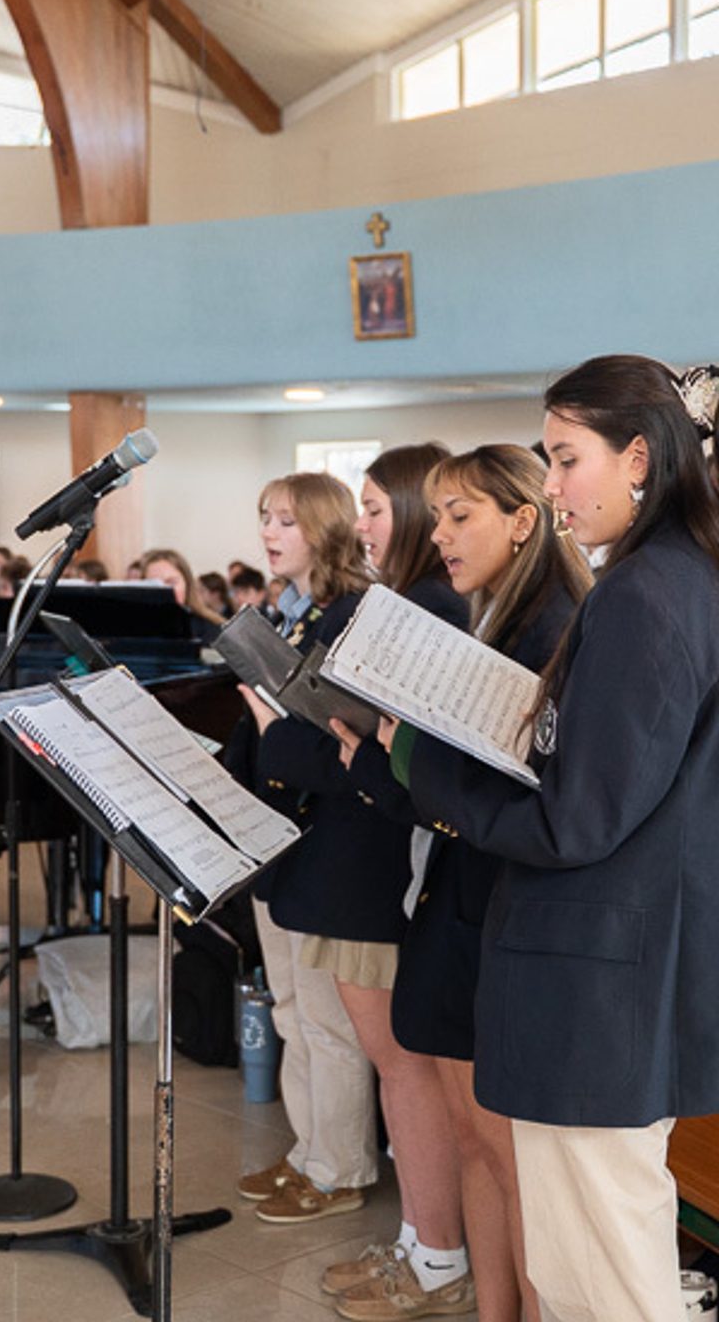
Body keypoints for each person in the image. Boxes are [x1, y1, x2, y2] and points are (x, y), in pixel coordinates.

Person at [400, 358, 719, 1322]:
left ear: (638, 457)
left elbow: (577, 818)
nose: (549, 484)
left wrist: (438, 778)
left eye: (564, 457)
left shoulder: (645, 593)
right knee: (598, 1267)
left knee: (601, 1283)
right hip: (623, 971)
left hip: (598, 985)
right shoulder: (680, 575)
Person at [335, 445, 590, 1322]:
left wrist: (401, 752)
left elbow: (527, 789)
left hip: (502, 909)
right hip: (459, 899)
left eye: (460, 515)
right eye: (435, 515)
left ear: (524, 522)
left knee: (507, 1157)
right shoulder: (496, 615)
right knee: (476, 1148)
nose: (437, 534)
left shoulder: (554, 625)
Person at [300, 443, 474, 1319]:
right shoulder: (401, 601)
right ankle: (420, 1240)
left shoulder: (426, 606)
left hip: (386, 862)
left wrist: (357, 741)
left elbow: (414, 755)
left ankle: (436, 1252)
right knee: (395, 1069)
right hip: (368, 854)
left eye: (374, 507)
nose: (361, 526)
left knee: (405, 1070)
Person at [228, 474, 379, 1226]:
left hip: (329, 839)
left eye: (286, 519)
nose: (270, 531)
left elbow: (334, 743)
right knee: (290, 1009)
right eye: (264, 518)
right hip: (280, 838)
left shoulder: (350, 616)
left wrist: (268, 725)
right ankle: (306, 1149)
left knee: (327, 1021)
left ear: (325, 528)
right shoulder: (287, 614)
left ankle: (340, 1165)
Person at [138, 547, 226, 638]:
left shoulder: (214, 630)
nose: (163, 590)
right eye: (154, 584)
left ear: (187, 584)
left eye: (171, 582)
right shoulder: (135, 630)